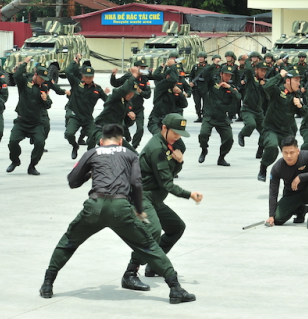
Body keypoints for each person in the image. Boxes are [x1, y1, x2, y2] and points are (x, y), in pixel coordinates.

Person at [39, 124, 196, 304]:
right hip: (121, 208)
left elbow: (72, 181)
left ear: (101, 141)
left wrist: (89, 174)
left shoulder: (92, 153)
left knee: (68, 242)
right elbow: (136, 184)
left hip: (94, 206)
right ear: (121, 141)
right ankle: (175, 288)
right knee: (148, 246)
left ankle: (47, 284)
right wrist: (139, 210)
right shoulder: (130, 155)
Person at [124, 114, 202, 287]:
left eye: (180, 134)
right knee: (153, 230)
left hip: (155, 199)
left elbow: (168, 172)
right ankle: (130, 272)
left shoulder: (167, 145)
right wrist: (189, 194)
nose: (178, 137)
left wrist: (178, 162)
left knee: (176, 227)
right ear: (164, 128)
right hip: (142, 197)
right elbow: (166, 183)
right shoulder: (156, 149)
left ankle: (154, 265)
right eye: (175, 132)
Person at [266, 136, 308, 229]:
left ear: (298, 151)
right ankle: (300, 210)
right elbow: (273, 193)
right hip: (291, 194)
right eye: (285, 153)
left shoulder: (307, 155)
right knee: (277, 219)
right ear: (282, 152)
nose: (289, 156)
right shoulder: (277, 168)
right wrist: (271, 215)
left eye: (292, 152)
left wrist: (301, 177)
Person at [258, 67, 305, 182]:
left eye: (299, 81)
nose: (298, 83)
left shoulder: (297, 95)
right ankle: (263, 167)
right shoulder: (277, 91)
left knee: (293, 154)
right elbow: (266, 87)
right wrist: (279, 75)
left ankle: (292, 178)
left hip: (286, 131)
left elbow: (305, 114)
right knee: (272, 146)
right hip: (271, 129)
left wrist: (300, 106)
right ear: (288, 81)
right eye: (296, 80)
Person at [6, 58, 51, 175]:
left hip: (36, 123)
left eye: (44, 79)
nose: (42, 81)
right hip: (22, 121)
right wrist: (24, 63)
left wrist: (46, 100)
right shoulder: (25, 83)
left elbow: (48, 105)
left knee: (40, 143)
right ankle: (15, 161)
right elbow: (17, 76)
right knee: (13, 142)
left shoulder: (43, 88)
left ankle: (32, 166)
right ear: (35, 75)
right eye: (41, 78)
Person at [197, 64, 241, 166]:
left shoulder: (231, 88)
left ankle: (221, 158)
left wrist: (229, 88)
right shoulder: (213, 82)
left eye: (229, 75)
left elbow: (238, 97)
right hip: (209, 116)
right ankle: (204, 150)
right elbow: (205, 74)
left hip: (222, 117)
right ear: (221, 74)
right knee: (203, 134)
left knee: (229, 139)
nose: (228, 77)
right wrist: (214, 65)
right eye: (226, 75)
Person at [65, 57, 108, 158]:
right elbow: (67, 72)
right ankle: (75, 146)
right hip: (75, 116)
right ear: (83, 76)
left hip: (87, 119)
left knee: (93, 137)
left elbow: (108, 101)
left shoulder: (97, 89)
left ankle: (89, 155)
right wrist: (74, 62)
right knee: (69, 134)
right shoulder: (76, 83)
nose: (88, 79)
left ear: (93, 77)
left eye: (90, 77)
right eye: (86, 77)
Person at [111, 62, 151, 149]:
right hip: (126, 107)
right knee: (123, 126)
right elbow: (115, 83)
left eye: (144, 68)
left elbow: (148, 95)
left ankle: (134, 147)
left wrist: (141, 92)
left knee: (140, 129)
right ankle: (127, 139)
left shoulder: (144, 79)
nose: (143, 69)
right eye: (141, 67)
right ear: (135, 67)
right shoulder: (128, 76)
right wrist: (113, 75)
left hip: (138, 108)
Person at [238, 62, 268, 148]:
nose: (263, 73)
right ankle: (242, 134)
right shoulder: (251, 80)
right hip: (247, 109)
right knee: (251, 124)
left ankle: (260, 149)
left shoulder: (265, 82)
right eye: (261, 70)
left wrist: (264, 85)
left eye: (264, 71)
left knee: (265, 131)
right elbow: (248, 70)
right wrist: (248, 59)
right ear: (256, 70)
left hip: (259, 111)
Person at [189, 52, 209, 122]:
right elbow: (191, 75)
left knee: (205, 103)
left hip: (205, 87)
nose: (200, 59)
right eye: (199, 57)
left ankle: (204, 116)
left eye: (202, 57)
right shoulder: (195, 67)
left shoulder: (208, 67)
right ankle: (199, 116)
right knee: (197, 103)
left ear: (204, 58)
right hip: (196, 87)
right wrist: (191, 82)